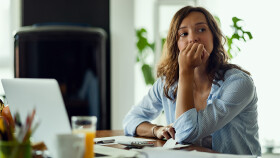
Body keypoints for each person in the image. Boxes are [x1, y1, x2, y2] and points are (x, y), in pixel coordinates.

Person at [123, 6, 261, 156]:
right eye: (184, 33)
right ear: (176, 44)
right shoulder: (167, 83)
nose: (193, 38)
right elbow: (131, 120)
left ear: (214, 37)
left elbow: (186, 133)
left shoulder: (239, 84)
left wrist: (186, 72)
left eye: (201, 30)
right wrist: (156, 130)